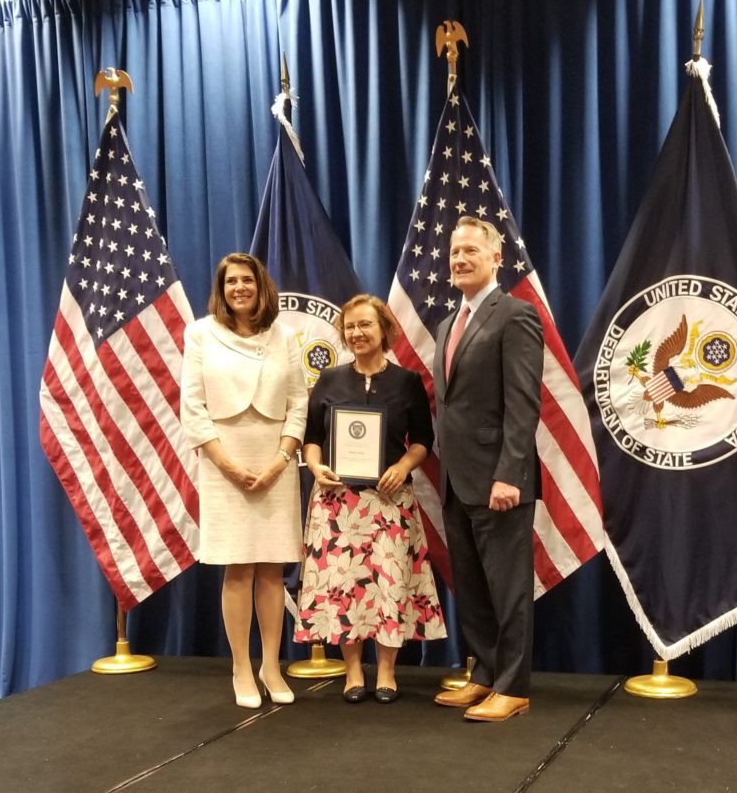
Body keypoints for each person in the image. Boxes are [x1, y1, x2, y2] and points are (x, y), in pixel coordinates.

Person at [295, 294, 446, 703]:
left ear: (384, 330)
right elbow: (310, 440)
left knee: (388, 585)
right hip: (337, 503)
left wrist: (404, 465)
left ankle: (386, 672)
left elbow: (423, 442)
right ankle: (351, 673)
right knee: (345, 587)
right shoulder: (328, 380)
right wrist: (314, 467)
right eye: (350, 327)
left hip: (389, 502)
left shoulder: (407, 382)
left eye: (365, 325)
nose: (357, 333)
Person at [181, 252, 307, 709]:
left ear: (261, 286)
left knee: (273, 569)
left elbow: (299, 403)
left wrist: (280, 459)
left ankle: (271, 664)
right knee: (239, 568)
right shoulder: (200, 333)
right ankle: (241, 666)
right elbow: (192, 407)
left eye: (246, 280)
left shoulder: (285, 336)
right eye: (231, 281)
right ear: (222, 287)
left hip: (275, 460)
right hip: (223, 461)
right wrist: (227, 464)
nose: (239, 288)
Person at [432, 216, 544, 722]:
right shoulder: (444, 325)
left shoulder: (514, 316)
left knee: (509, 589)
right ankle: (484, 676)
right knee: (473, 589)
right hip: (456, 481)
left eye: (471, 252)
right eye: (455, 252)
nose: (459, 260)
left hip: (499, 481)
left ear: (496, 259)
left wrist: (510, 474)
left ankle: (513, 685)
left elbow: (523, 405)